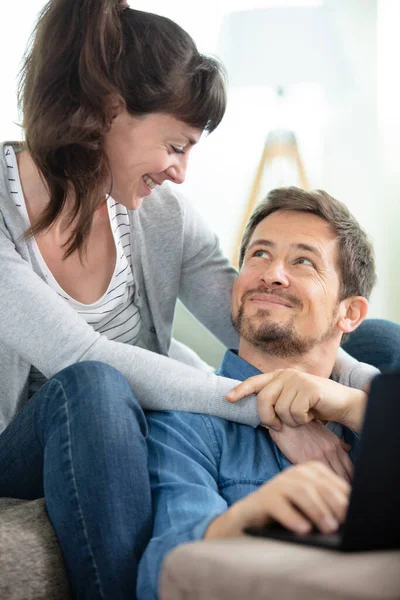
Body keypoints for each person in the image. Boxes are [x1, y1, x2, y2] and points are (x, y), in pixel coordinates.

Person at [0, 0, 394, 597]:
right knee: (95, 384)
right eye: (177, 145)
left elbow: (252, 311)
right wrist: (275, 409)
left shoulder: (159, 214)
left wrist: (337, 397)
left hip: (142, 405)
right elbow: (78, 352)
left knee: (373, 337)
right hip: (39, 431)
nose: (181, 172)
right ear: (111, 113)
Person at [137, 186, 381, 600]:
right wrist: (246, 519)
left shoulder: (371, 418)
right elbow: (163, 572)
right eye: (259, 255)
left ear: (350, 312)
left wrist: (356, 408)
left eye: (303, 261)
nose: (272, 273)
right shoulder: (185, 425)